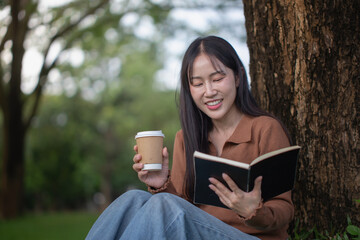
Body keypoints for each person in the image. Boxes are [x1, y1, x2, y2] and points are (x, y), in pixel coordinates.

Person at [86, 36, 294, 240]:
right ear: (189, 88)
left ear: (238, 77)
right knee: (133, 198)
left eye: (218, 79)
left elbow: (285, 209)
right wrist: (161, 185)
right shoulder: (186, 138)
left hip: (251, 236)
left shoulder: (265, 129)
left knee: (162, 205)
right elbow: (180, 213)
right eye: (198, 83)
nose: (209, 91)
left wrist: (253, 211)